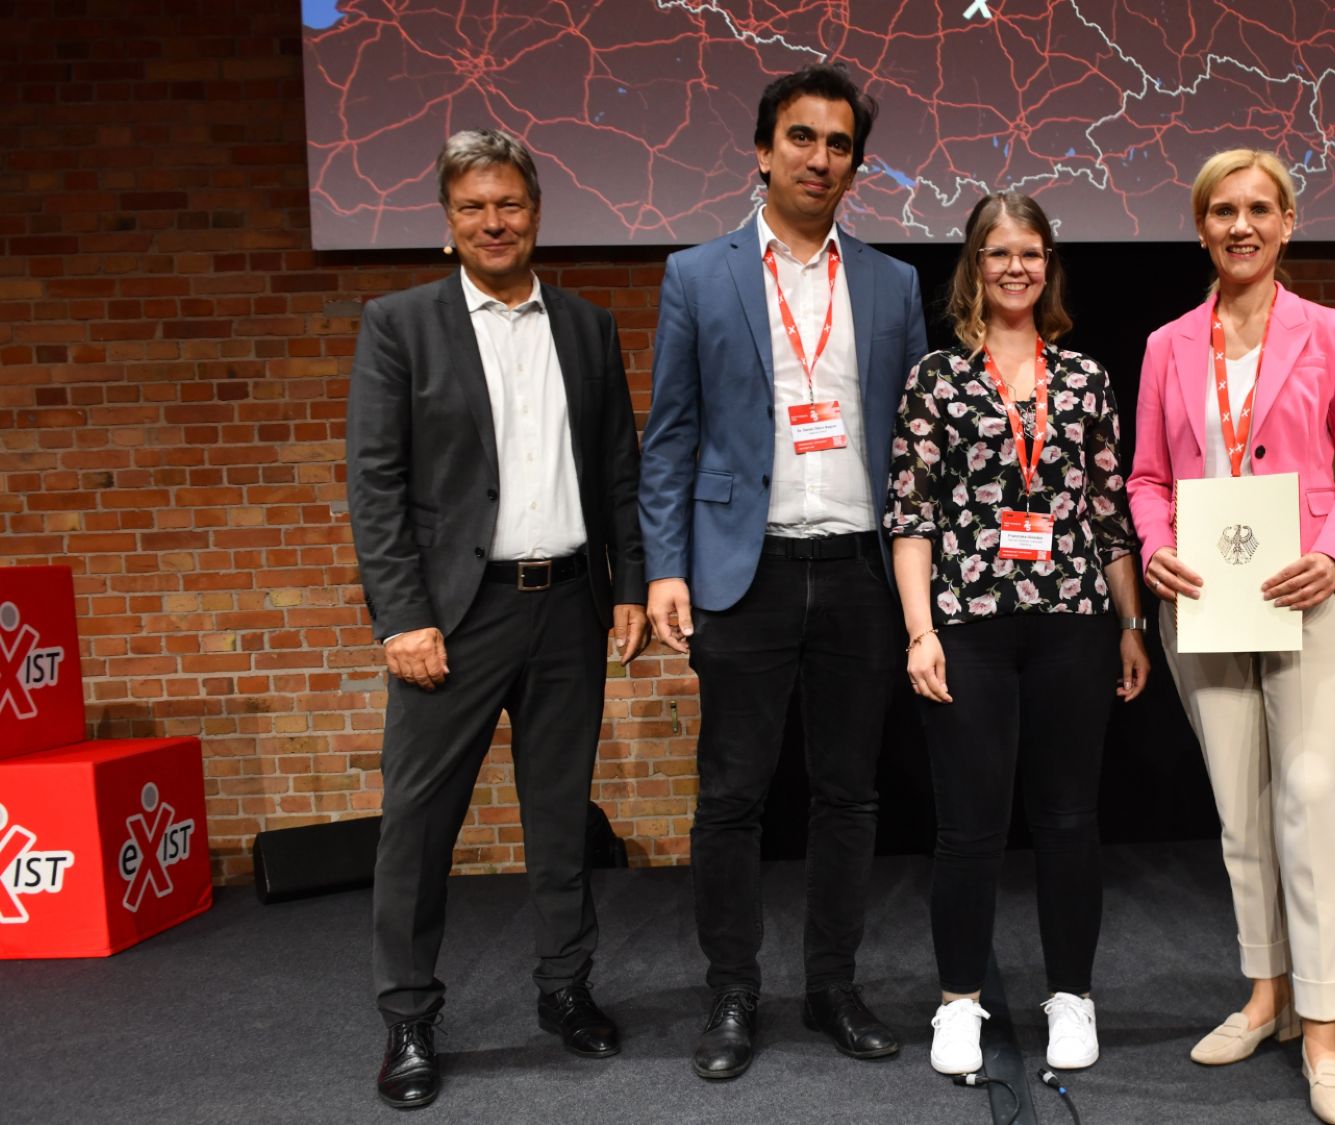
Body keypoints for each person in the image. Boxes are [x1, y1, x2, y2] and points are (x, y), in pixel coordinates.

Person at [346, 128, 650, 1110]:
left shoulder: (586, 327)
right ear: (447, 222)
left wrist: (629, 588)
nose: (493, 221)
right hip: (450, 622)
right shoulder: (400, 325)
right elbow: (376, 486)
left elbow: (617, 473)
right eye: (473, 206)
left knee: (560, 819)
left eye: (509, 204)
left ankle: (565, 992)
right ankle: (407, 1020)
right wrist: (401, 617)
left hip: (565, 604)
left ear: (534, 214)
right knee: (419, 826)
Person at [638, 63, 928, 1081]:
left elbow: (916, 452)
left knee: (848, 795)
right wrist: (663, 566)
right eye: (800, 138)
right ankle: (730, 992)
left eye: (838, 143)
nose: (819, 158)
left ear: (855, 163)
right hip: (742, 570)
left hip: (857, 570)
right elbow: (668, 435)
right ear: (762, 151)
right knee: (731, 796)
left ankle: (833, 986)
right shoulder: (698, 275)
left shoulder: (892, 285)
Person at [1127, 149, 1335, 1125]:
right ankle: (1264, 995)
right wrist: (1153, 547)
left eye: (1258, 209)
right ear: (1200, 228)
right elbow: (1146, 479)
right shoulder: (1164, 346)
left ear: (1286, 223)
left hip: (1307, 597)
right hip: (1204, 599)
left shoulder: (1329, 333)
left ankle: (1324, 1030)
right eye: (1221, 211)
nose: (1240, 226)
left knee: (1311, 796)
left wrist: (1331, 559)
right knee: (1240, 814)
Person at [886, 191, 1150, 1076]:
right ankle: (958, 1000)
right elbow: (912, 512)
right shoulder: (937, 377)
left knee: (1071, 818)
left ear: (1049, 265)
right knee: (969, 827)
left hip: (1074, 623)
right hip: (969, 625)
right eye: (998, 252)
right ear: (973, 264)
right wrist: (920, 631)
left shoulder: (1086, 378)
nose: (1015, 268)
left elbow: (1110, 513)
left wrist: (1131, 622)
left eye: (1030, 253)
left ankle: (1071, 996)